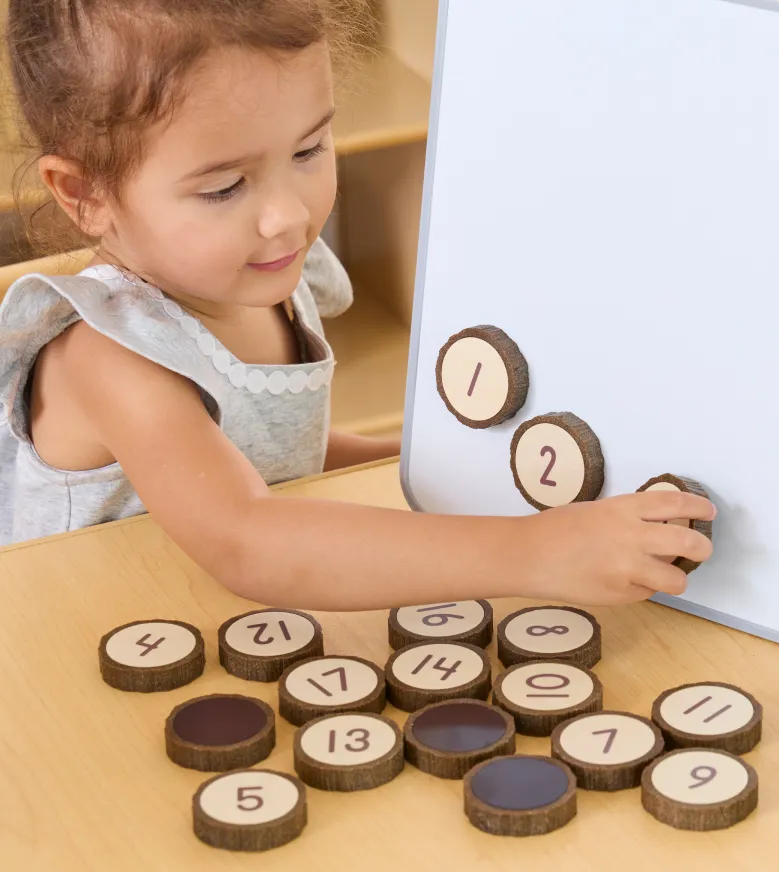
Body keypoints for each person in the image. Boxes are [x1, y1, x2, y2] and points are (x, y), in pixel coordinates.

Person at [0, 0, 715, 611]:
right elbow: (245, 538)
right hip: (77, 655)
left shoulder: (250, 275)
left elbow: (263, 454)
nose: (286, 216)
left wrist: (433, 458)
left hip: (201, 622)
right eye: (224, 188)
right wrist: (536, 551)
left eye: (309, 149)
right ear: (84, 194)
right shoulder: (111, 356)